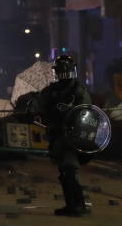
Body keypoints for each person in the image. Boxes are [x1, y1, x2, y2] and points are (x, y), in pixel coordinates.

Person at [37, 55, 92, 217]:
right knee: (64, 171)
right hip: (58, 135)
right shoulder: (52, 91)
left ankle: (78, 205)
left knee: (68, 170)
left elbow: (87, 113)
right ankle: (72, 205)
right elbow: (41, 108)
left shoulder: (78, 90)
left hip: (73, 137)